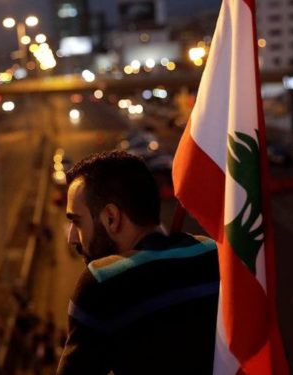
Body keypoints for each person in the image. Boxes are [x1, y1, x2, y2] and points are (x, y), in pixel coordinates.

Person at [56, 151, 220, 374]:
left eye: (77, 222)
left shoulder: (102, 283)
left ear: (111, 218)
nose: (72, 238)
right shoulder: (212, 253)